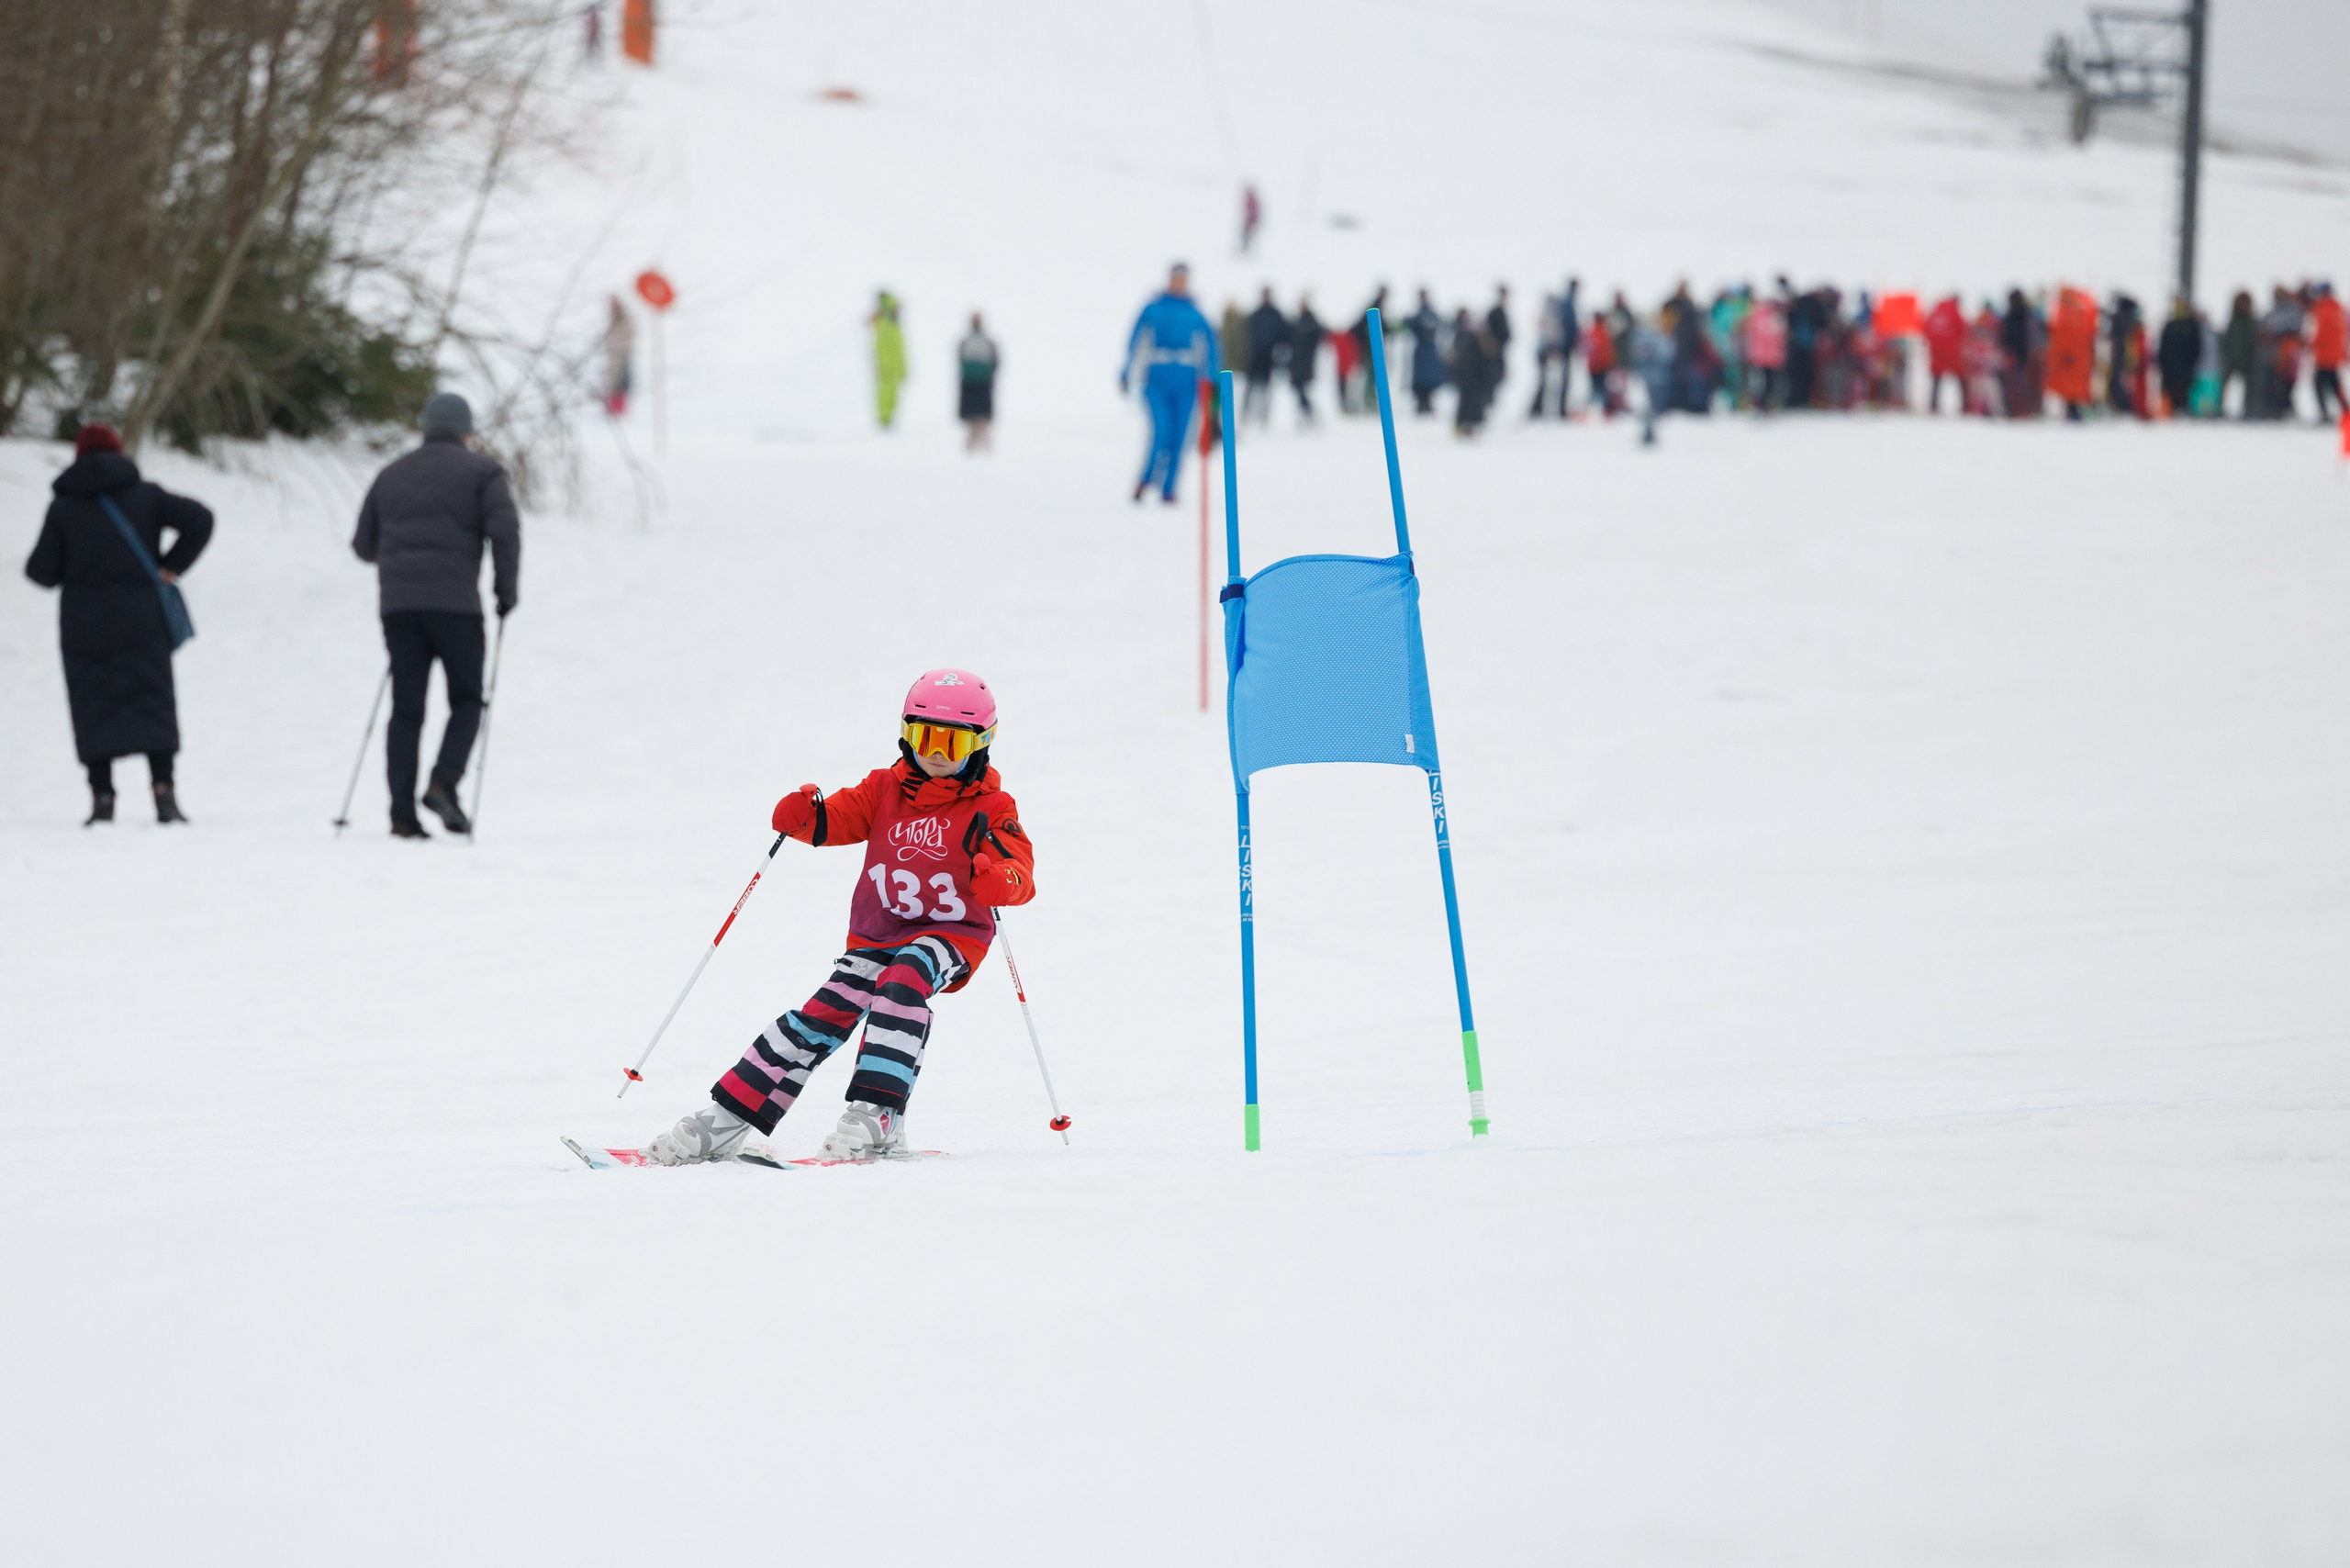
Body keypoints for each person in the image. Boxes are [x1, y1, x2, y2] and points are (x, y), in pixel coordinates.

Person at [642, 669, 1038, 1165]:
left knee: (906, 976)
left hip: (953, 936)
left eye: (953, 741)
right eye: (925, 736)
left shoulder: (991, 806)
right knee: (821, 1013)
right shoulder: (883, 789)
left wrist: (1003, 879)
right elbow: (835, 820)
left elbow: (1020, 869)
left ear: (980, 744)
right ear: (907, 734)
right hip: (876, 934)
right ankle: (728, 1118)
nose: (937, 751)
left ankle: (878, 1115)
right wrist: (804, 817)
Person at [24, 423, 213, 825]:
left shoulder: (64, 507)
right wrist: (171, 565)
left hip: (84, 624)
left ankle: (103, 799)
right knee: (152, 700)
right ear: (119, 452)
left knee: (93, 704)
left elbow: (41, 572)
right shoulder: (146, 496)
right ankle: (164, 794)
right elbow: (201, 518)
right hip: (141, 617)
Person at [351, 392, 520, 838]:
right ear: (467, 431)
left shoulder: (391, 475)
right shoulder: (484, 473)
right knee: (466, 700)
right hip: (456, 608)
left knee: (406, 709)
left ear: (425, 428)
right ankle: (444, 782)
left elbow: (363, 546)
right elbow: (504, 532)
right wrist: (506, 591)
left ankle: (401, 816)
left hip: (399, 608)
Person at [1121, 263, 1219, 502]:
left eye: (1183, 279)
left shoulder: (1195, 313)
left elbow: (1212, 347)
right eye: (1176, 279)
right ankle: (1145, 480)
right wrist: (1127, 370)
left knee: (1180, 437)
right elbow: (1135, 340)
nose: (1179, 283)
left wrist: (1213, 377)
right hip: (1157, 378)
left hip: (1187, 380)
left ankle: (1169, 488)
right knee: (1161, 432)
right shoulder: (1153, 308)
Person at [1243, 288, 1288, 425]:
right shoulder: (1255, 314)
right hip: (1255, 356)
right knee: (1251, 386)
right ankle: (1246, 414)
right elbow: (1247, 334)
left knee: (1267, 387)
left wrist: (1280, 355)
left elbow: (1284, 336)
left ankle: (1264, 415)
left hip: (1269, 356)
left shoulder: (1276, 314)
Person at [957, 311, 999, 451]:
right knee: (982, 420)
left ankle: (970, 449)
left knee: (972, 421)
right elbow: (996, 363)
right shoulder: (988, 342)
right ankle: (986, 449)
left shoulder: (964, 342)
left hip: (968, 384)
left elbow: (959, 361)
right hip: (984, 384)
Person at [1449, 308, 1494, 436]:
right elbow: (1458, 356)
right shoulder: (1462, 335)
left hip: (1476, 376)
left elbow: (1488, 357)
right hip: (1466, 376)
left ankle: (1474, 425)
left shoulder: (1481, 336)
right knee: (1465, 402)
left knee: (1475, 403)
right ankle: (1463, 426)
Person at [1405, 290, 1448, 416]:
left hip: (1426, 350)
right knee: (1424, 379)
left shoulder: (1424, 315)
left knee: (1426, 379)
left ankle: (1425, 403)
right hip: (1424, 351)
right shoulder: (1426, 314)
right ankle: (1423, 403)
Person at [1923, 295, 1966, 413]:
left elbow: (1925, 327)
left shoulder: (1935, 311)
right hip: (1952, 351)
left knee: (1936, 378)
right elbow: (1962, 329)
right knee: (1960, 377)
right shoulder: (1954, 311)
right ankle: (1965, 405)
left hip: (1936, 351)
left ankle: (1933, 405)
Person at [870, 291, 907, 429]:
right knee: (885, 394)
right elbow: (878, 347)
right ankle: (884, 419)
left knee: (893, 395)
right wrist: (881, 364)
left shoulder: (895, 326)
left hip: (895, 368)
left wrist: (903, 368)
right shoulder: (883, 325)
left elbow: (901, 350)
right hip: (886, 367)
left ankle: (889, 418)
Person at [2311, 282, 2345, 421]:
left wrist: (2312, 345)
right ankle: (2345, 410)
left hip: (2324, 355)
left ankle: (2324, 413)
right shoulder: (2337, 309)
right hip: (2335, 354)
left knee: (2318, 384)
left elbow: (2322, 332)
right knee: (2334, 384)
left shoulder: (2324, 309)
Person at [2219, 290, 2257, 418]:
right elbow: (2228, 339)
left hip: (2246, 359)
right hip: (2231, 358)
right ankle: (2219, 408)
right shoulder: (2234, 320)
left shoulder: (2250, 321)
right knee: (2223, 384)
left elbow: (2253, 340)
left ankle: (2248, 410)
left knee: (2249, 387)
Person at [1288, 293, 1326, 421]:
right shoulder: (1297, 321)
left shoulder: (1310, 320)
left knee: (1302, 390)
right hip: (1297, 361)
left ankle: (1310, 414)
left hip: (1306, 361)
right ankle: (1308, 415)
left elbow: (1319, 334)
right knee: (1300, 390)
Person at [600, 295, 633, 417]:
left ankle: (619, 409)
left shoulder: (624, 318)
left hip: (622, 354)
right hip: (612, 355)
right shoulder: (613, 319)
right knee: (611, 382)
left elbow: (628, 334)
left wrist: (616, 343)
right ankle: (611, 408)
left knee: (621, 382)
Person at [1239, 185, 1261, 253]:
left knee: (1246, 234)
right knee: (1245, 234)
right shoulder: (1250, 200)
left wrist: (1252, 219)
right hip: (1249, 220)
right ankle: (1245, 247)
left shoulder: (1252, 201)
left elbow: (1254, 211)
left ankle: (1246, 248)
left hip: (1250, 220)